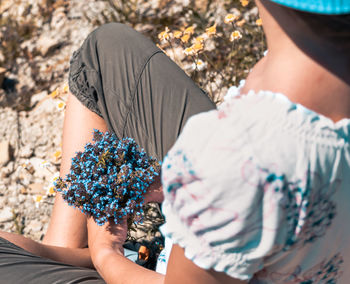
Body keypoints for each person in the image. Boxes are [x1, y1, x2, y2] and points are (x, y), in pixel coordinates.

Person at [1, 0, 350, 283]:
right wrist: (181, 180)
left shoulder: (233, 155)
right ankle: (64, 253)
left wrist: (105, 256)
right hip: (276, 207)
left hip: (220, 215)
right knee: (107, 50)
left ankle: (82, 260)